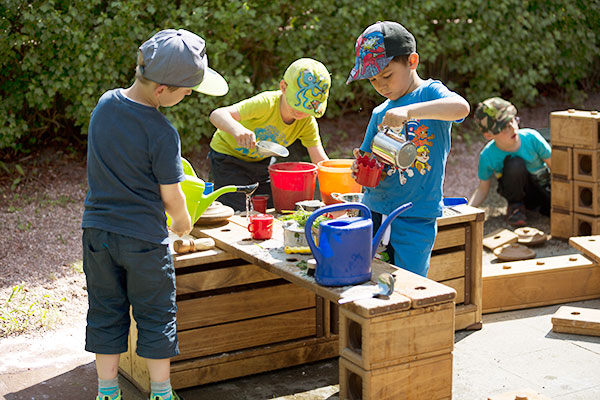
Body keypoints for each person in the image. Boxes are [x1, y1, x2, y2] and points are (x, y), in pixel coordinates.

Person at [82, 29, 228, 400]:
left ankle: (107, 392)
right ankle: (162, 393)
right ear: (162, 90)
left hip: (97, 233)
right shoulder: (162, 133)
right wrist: (183, 225)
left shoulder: (104, 104)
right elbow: (172, 195)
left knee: (105, 311)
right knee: (156, 314)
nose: (190, 94)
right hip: (144, 240)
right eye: (186, 89)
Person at [347, 21, 470, 277]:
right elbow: (370, 159)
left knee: (409, 284)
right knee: (367, 281)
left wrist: (408, 112)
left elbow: (461, 108)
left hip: (416, 215)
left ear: (412, 61)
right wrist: (361, 167)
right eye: (372, 79)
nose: (380, 85)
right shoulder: (380, 111)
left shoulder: (429, 94)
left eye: (387, 75)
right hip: (374, 210)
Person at [208, 58, 330, 211]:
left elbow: (320, 162)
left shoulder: (306, 123)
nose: (301, 111)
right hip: (228, 159)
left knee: (274, 207)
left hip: (262, 163)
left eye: (309, 107)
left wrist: (336, 181)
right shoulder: (266, 103)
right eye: (296, 103)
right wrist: (237, 130)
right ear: (283, 87)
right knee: (236, 210)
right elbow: (217, 114)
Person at [468, 97, 551, 227]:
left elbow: (556, 167)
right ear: (489, 135)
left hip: (544, 188)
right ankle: (516, 208)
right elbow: (482, 189)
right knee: (515, 164)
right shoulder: (488, 155)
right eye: (504, 127)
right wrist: (467, 212)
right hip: (519, 193)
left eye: (512, 120)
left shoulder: (532, 138)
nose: (512, 128)